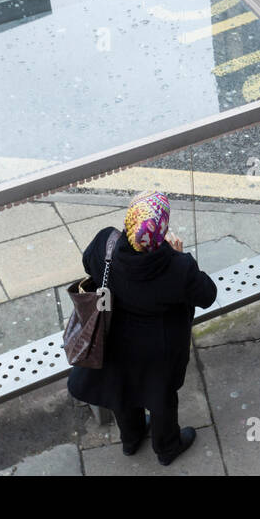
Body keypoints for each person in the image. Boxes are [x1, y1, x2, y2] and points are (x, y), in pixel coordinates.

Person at [67, 191, 217, 466]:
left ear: (130, 219)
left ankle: (132, 439)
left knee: (121, 389)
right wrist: (181, 256)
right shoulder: (177, 266)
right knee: (161, 399)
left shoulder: (106, 243)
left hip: (114, 340)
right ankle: (167, 447)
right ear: (163, 228)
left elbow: (89, 263)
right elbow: (207, 295)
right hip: (159, 349)